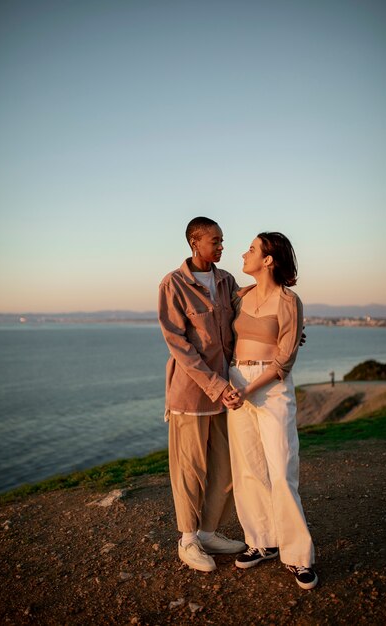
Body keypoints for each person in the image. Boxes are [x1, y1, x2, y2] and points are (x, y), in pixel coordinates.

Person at [223, 232, 318, 590]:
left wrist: (248, 389)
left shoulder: (289, 301)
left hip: (269, 386)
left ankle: (298, 556)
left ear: (268, 260)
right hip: (236, 379)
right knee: (248, 468)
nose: (243, 253)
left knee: (281, 469)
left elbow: (284, 359)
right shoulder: (239, 296)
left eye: (251, 249)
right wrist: (230, 386)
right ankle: (262, 540)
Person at [158, 217, 245, 573]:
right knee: (190, 471)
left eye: (222, 240)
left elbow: (247, 318)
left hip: (226, 394)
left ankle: (208, 533)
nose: (222, 246)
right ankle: (188, 540)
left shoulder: (227, 282)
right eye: (215, 241)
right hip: (191, 394)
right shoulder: (173, 284)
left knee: (226, 469)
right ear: (195, 242)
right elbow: (179, 344)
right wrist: (216, 385)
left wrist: (286, 331)